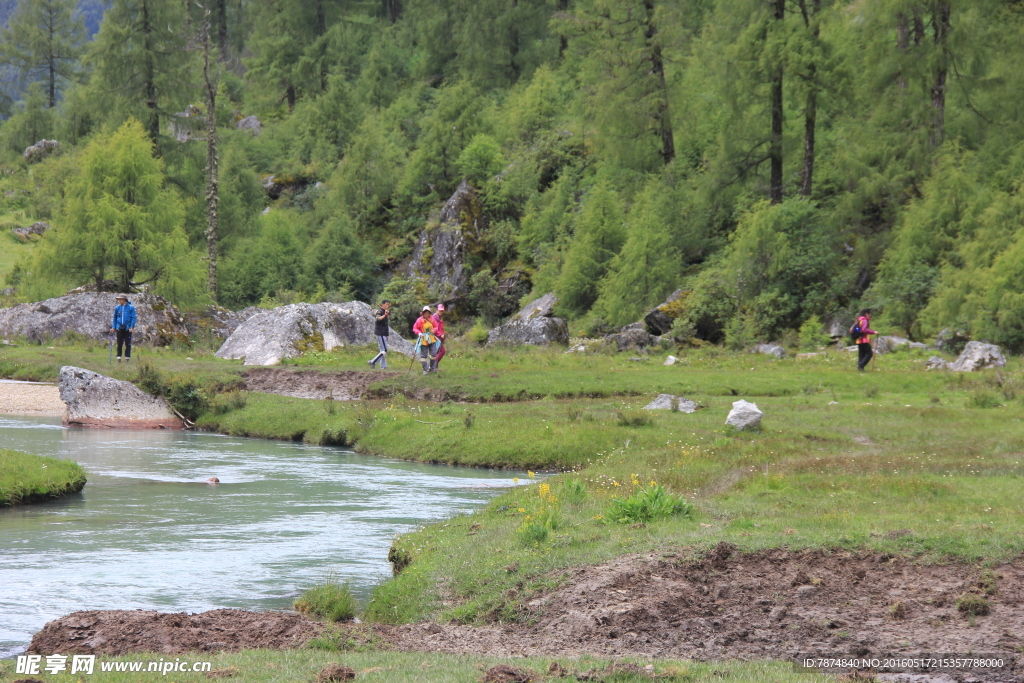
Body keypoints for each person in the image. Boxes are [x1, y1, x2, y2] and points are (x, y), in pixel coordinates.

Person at [412, 306, 439, 375]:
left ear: (429, 313)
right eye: (425, 313)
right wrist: (419, 333)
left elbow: (436, 326)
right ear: (423, 313)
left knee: (433, 354)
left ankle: (432, 368)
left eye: (428, 313)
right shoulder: (419, 320)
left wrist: (434, 330)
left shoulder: (432, 319)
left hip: (432, 338)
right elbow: (415, 328)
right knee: (424, 355)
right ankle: (425, 369)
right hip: (423, 339)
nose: (427, 314)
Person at [110, 294, 136, 362]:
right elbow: (115, 318)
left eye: (120, 299)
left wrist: (132, 326)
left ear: (124, 300)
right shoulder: (117, 308)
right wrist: (113, 327)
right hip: (119, 327)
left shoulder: (131, 308)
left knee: (128, 343)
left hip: (127, 328)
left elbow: (133, 318)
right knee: (119, 343)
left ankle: (127, 357)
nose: (119, 300)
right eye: (118, 299)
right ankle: (119, 357)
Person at [368, 300, 391, 369]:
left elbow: (386, 324)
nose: (387, 306)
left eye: (388, 305)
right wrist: (384, 315)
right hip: (380, 333)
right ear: (383, 304)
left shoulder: (384, 311)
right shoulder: (379, 311)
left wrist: (387, 334)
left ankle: (383, 366)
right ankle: (373, 362)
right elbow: (378, 319)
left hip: (384, 333)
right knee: (385, 350)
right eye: (386, 304)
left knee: (382, 350)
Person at [430, 303, 447, 374]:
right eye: (440, 311)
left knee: (436, 352)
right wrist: (440, 335)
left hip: (439, 337)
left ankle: (434, 368)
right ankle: (432, 366)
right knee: (442, 351)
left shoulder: (438, 318)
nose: (441, 312)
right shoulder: (434, 318)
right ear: (436, 310)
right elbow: (435, 328)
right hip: (436, 337)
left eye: (442, 311)